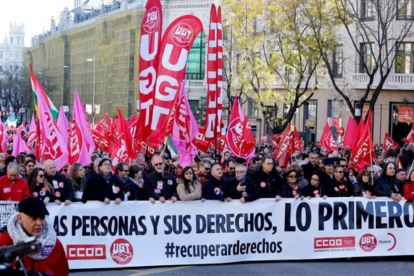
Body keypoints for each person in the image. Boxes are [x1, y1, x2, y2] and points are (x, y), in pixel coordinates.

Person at [0, 197, 69, 275]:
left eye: (42, 217)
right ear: (20, 218)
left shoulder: (54, 243)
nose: (39, 223)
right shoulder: (5, 241)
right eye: (33, 218)